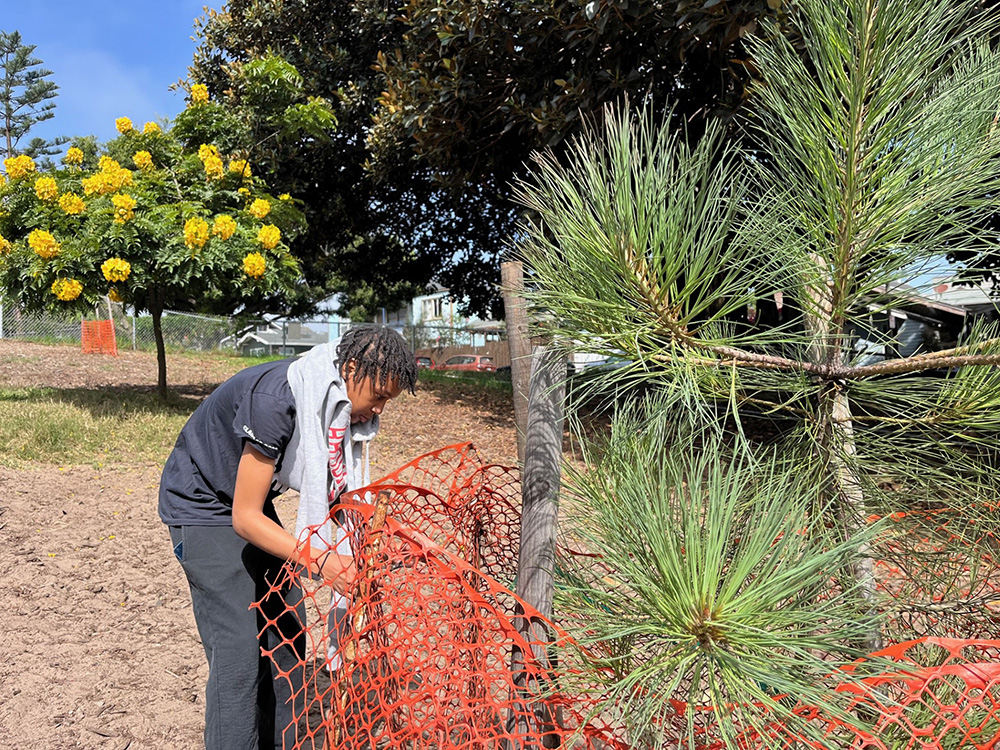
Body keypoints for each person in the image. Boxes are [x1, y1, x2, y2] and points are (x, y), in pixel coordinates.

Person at [158, 325, 418, 750]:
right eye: (378, 396)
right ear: (351, 369)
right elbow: (245, 518)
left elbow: (333, 494)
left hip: (248, 501)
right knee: (238, 652)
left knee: (287, 638)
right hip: (203, 503)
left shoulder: (330, 402)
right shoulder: (277, 400)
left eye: (388, 401)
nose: (378, 411)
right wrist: (322, 561)